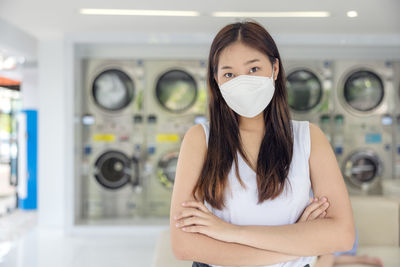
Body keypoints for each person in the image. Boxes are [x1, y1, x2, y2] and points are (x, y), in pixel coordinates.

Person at [170, 20, 355, 267]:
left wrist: (231, 232)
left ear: (275, 68)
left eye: (254, 69)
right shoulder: (201, 139)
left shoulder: (309, 138)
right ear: (216, 80)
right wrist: (295, 247)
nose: (243, 82)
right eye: (229, 74)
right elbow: (184, 245)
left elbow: (342, 235)